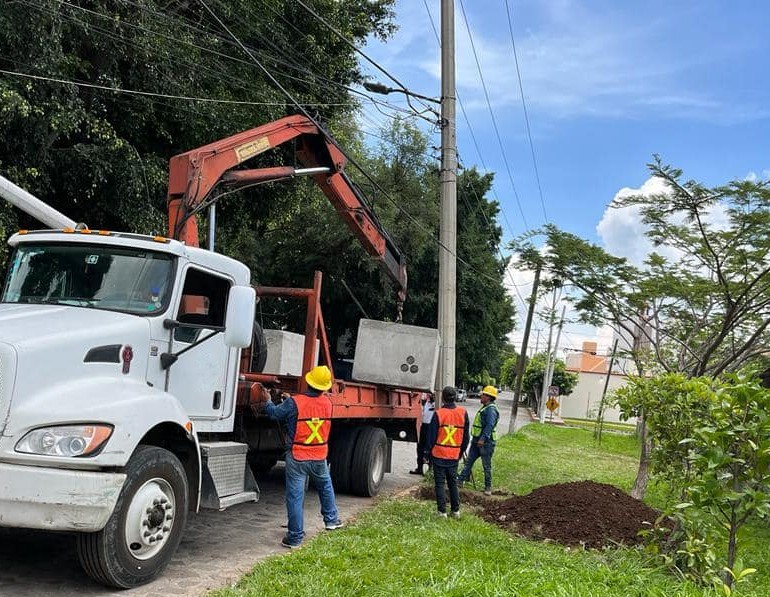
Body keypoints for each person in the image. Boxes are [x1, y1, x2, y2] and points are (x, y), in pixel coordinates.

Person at [263, 365, 343, 548]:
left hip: (298, 456)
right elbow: (311, 408)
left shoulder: (294, 403)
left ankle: (295, 537)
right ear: (324, 387)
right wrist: (291, 401)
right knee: (325, 486)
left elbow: (274, 414)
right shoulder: (328, 403)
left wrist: (267, 400)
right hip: (319, 455)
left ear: (309, 381)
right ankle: (332, 520)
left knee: (295, 496)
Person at [427, 386, 469, 518]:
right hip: (454, 455)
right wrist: (460, 452)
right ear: (455, 397)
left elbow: (431, 436)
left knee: (439, 484)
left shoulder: (439, 414)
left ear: (443, 398)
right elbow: (466, 438)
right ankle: (455, 511)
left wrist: (427, 453)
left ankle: (442, 512)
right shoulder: (463, 413)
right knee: (452, 483)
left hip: (439, 454)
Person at [457, 385, 500, 496]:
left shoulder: (491, 410)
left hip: (486, 442)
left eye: (483, 395)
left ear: (488, 397)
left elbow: (489, 425)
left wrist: (482, 439)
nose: (481, 396)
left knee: (486, 465)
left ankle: (488, 487)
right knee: (469, 461)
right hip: (477, 440)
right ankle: (460, 481)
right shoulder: (485, 408)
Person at [409, 392, 435, 475]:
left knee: (430, 448)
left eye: (433, 394)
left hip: (431, 427)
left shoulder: (437, 405)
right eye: (430, 394)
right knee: (420, 447)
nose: (431, 396)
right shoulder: (426, 403)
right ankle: (419, 468)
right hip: (423, 426)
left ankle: (430, 469)